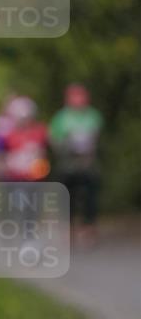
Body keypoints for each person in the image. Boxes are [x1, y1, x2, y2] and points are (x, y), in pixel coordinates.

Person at [49, 84, 104, 245]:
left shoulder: (93, 115)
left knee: (90, 196)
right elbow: (54, 139)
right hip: (67, 164)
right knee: (67, 196)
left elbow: (96, 137)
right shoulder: (61, 117)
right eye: (74, 96)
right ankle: (68, 230)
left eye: (81, 96)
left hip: (87, 164)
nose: (78, 100)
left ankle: (88, 229)